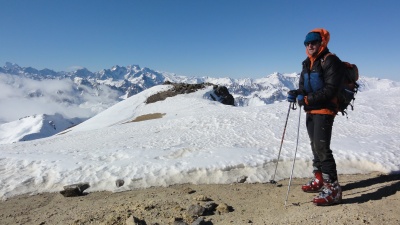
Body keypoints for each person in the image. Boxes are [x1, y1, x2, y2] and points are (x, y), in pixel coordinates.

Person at [287, 28, 345, 206]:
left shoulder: (330, 61)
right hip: (311, 111)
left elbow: (330, 90)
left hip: (325, 110)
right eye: (307, 43)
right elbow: (305, 87)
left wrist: (305, 99)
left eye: (313, 42)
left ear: (322, 43)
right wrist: (296, 93)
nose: (310, 45)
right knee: (315, 146)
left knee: (322, 148)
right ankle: (319, 179)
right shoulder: (307, 63)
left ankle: (333, 188)